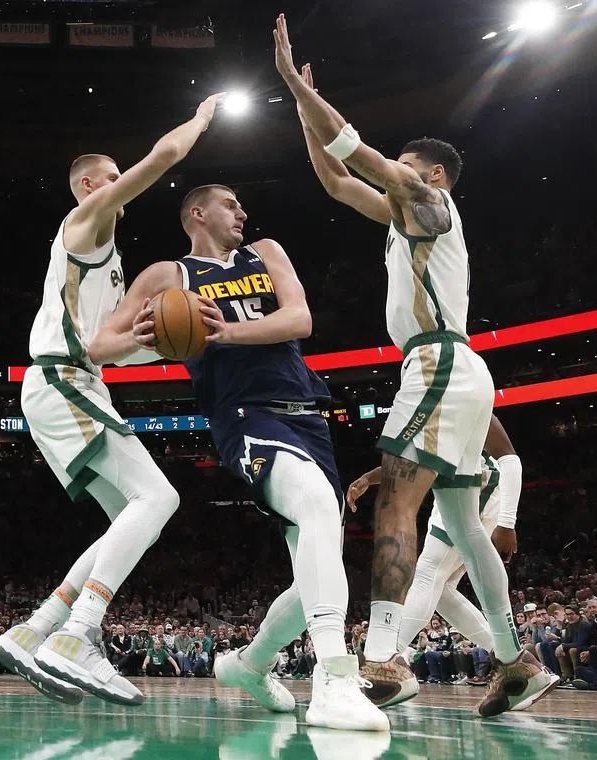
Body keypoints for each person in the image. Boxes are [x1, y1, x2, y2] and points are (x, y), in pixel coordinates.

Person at [272, 14, 553, 718]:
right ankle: (517, 659)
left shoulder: (430, 201)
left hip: (437, 366)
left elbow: (355, 151)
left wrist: (295, 89)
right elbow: (338, 181)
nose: (396, 178)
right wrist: (304, 113)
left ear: (430, 174)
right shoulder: (409, 219)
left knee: (400, 504)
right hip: (460, 367)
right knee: (460, 525)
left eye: (404, 168)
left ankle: (383, 658)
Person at [90, 183, 388, 730]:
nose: (243, 212)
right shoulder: (168, 277)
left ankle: (251, 663)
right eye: (232, 204)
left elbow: (299, 321)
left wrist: (221, 331)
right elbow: (100, 345)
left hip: (306, 412)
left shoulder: (267, 253)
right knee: (320, 509)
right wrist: (146, 334)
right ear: (197, 214)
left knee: (317, 571)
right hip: (244, 415)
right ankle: (334, 681)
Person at [0, 92, 226, 707]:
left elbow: (104, 347)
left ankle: (36, 629)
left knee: (135, 517)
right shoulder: (85, 223)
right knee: (160, 496)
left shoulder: (106, 260)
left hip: (75, 379)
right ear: (91, 184)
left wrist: (166, 343)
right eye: (115, 178)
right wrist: (201, 118)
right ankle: (78, 634)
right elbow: (165, 155)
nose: (124, 185)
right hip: (62, 381)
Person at [346, 415, 553, 707]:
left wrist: (508, 521)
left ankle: (385, 664)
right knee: (440, 591)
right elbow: (415, 463)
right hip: (456, 487)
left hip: (476, 487)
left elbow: (509, 459)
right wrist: (370, 477)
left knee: (428, 573)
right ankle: (515, 666)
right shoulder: (430, 404)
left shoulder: (458, 388)